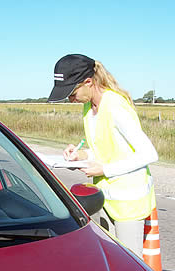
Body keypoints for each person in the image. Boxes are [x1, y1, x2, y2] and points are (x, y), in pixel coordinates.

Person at [48, 54, 159, 259]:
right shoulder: (88, 108)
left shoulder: (116, 106)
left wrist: (105, 170)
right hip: (104, 199)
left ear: (88, 82)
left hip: (128, 204)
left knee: (129, 265)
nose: (71, 99)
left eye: (71, 93)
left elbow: (148, 153)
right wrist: (80, 154)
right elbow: (106, 150)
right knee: (111, 261)